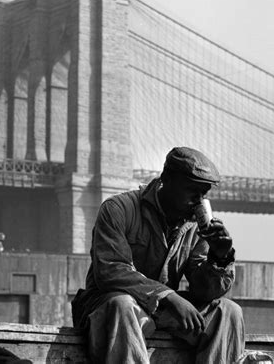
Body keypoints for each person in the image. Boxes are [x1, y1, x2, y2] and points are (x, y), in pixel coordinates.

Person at [72, 146, 246, 364]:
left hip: (161, 311)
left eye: (204, 194)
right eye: (193, 191)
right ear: (167, 179)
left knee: (228, 311)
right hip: (106, 307)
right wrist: (168, 296)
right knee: (123, 304)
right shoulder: (118, 209)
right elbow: (111, 271)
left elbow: (205, 290)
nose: (199, 202)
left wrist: (219, 258)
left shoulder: (197, 227)